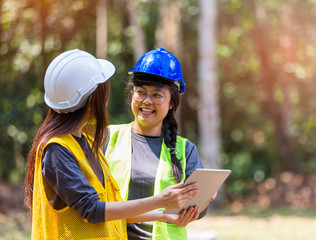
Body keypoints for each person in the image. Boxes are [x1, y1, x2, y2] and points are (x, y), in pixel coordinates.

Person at [24, 49, 199, 240]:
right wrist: (160, 200)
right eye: (104, 94)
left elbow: (111, 206)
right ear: (92, 100)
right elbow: (92, 209)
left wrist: (164, 215)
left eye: (157, 95)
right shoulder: (57, 150)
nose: (106, 102)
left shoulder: (86, 144)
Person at [105, 48, 215, 240]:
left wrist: (204, 201)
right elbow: (92, 205)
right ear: (132, 94)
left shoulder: (185, 150)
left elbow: (199, 210)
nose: (147, 101)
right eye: (140, 92)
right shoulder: (108, 137)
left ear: (172, 102)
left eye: (157, 95)